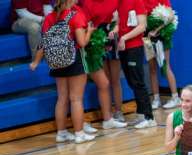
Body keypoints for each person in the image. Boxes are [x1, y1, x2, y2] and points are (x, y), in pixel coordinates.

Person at [30, 0, 95, 144]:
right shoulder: (75, 15)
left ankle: (61, 133)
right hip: (74, 60)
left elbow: (43, 43)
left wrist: (35, 62)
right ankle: (79, 134)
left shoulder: (49, 17)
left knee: (62, 98)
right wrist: (89, 31)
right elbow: (82, 42)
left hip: (56, 62)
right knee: (76, 99)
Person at [81, 0, 128, 129]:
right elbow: (86, 22)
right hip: (96, 39)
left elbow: (121, 16)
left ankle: (118, 111)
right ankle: (108, 115)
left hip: (112, 37)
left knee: (115, 80)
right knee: (104, 81)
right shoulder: (87, 3)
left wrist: (116, 26)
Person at [117, 0, 156, 129]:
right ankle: (140, 115)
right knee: (132, 82)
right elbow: (118, 23)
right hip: (123, 49)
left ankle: (149, 117)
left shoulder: (137, 1)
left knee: (138, 82)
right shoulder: (117, 3)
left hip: (134, 47)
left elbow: (142, 26)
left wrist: (124, 38)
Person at [145, 0, 180, 110]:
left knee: (165, 66)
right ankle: (156, 99)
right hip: (147, 37)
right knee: (152, 68)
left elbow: (170, 16)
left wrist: (157, 30)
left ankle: (175, 97)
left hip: (162, 37)